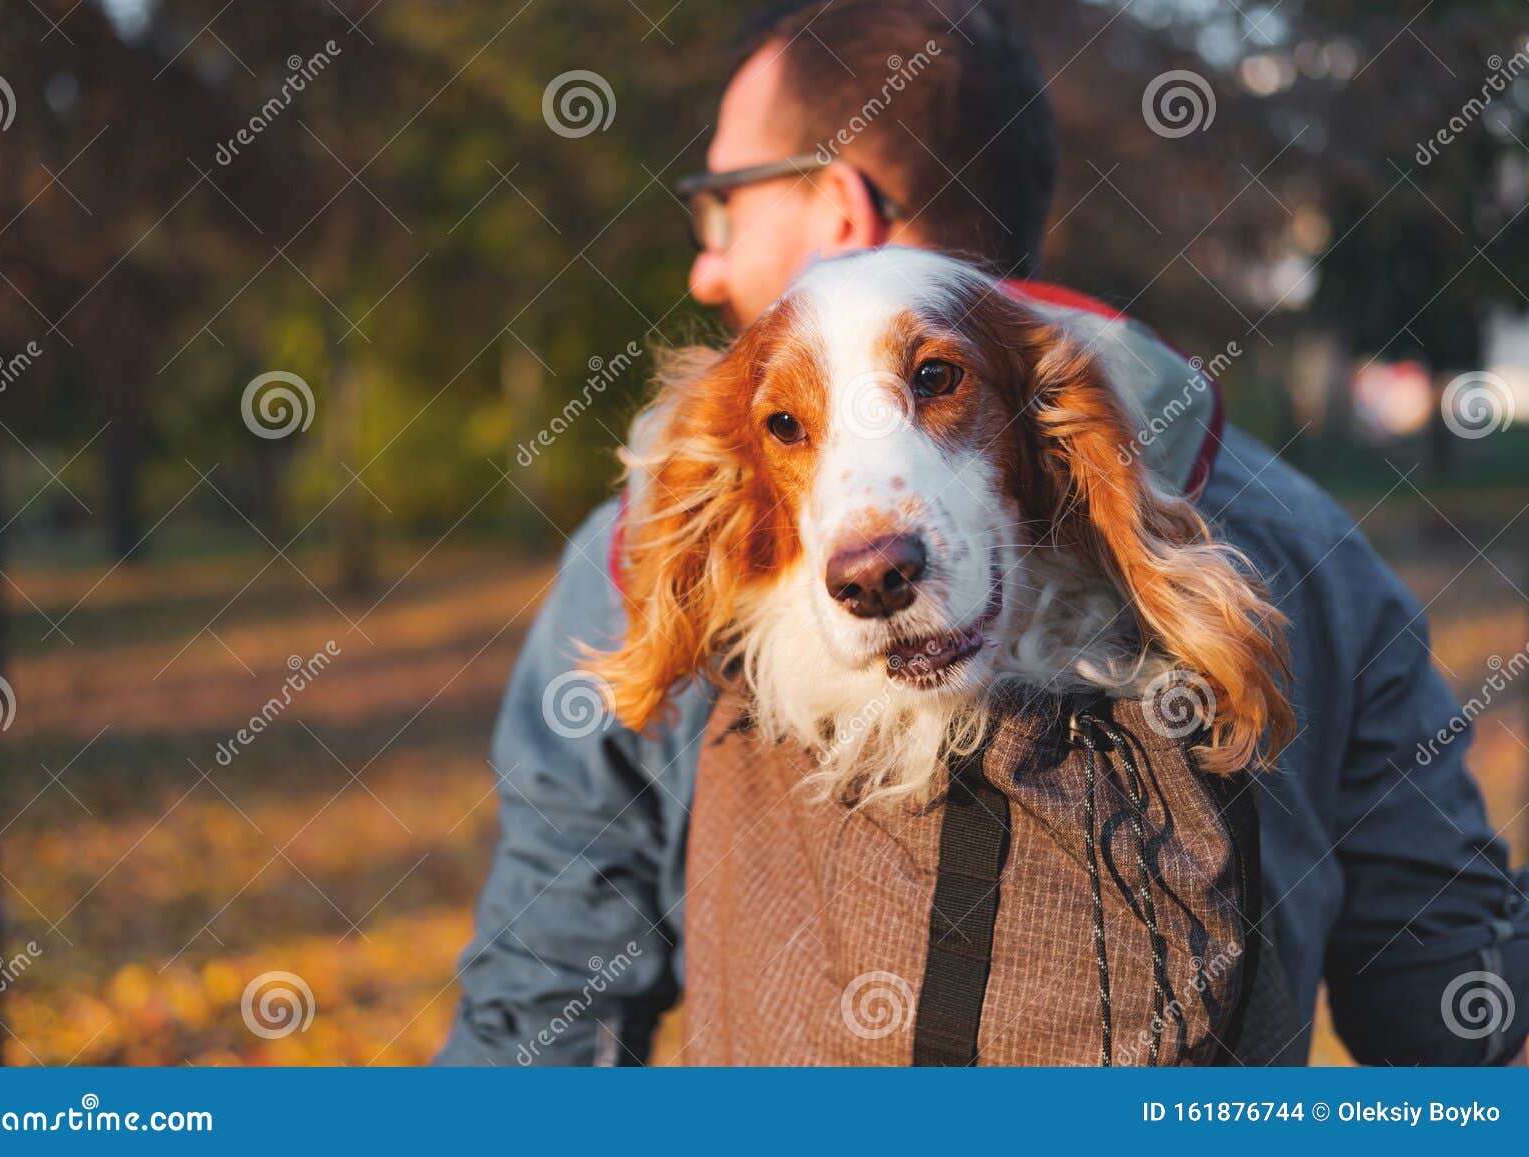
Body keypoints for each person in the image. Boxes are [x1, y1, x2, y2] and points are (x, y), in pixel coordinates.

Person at [435, 0, 1529, 1066]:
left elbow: (541, 1020)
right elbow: (1455, 1011)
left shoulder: (648, 550)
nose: (704, 265)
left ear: (837, 211)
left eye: (720, 205)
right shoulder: (1315, 544)